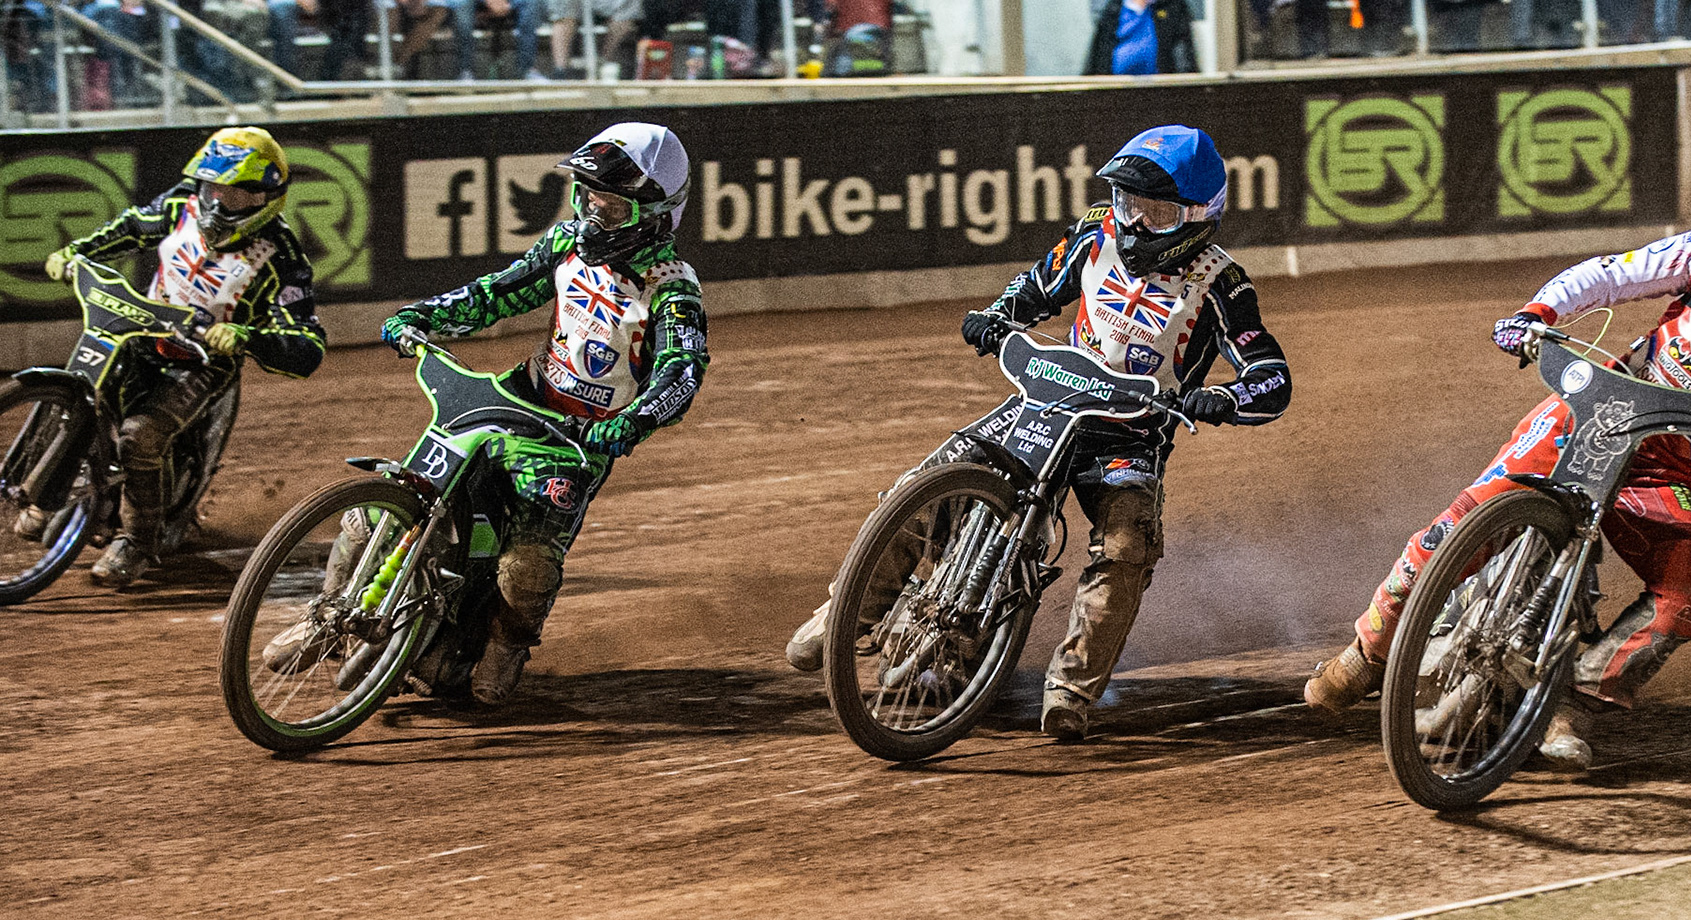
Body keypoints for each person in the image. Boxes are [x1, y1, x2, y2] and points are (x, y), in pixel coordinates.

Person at [1302, 162, 1691, 769]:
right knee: (1456, 527)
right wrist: (1538, 314)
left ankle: (1575, 701)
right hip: (1596, 412)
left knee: (1689, 590)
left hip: (1668, 474)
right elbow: (1610, 276)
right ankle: (1364, 657)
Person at [785, 125, 1294, 741]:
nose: (1134, 223)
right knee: (930, 479)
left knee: (1127, 543)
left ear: (1197, 217)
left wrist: (1219, 398)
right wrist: (998, 317)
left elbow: (1271, 375)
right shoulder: (1095, 232)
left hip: (1128, 436)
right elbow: (1033, 288)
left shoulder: (1223, 282)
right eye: (1129, 204)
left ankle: (1072, 687)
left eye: (1155, 213)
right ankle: (842, 611)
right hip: (1049, 398)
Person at [368, 123, 709, 705]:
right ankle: (329, 611)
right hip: (517, 397)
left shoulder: (672, 290)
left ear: (655, 211)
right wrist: (421, 316)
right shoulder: (566, 245)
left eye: (609, 202)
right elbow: (496, 293)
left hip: (579, 440)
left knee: (525, 567)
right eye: (587, 194)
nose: (592, 210)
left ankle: (506, 645)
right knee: (396, 501)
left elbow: (682, 374)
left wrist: (632, 422)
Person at [37, 127, 325, 588]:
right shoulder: (181, 204)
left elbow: (308, 346)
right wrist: (79, 251)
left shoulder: (284, 259)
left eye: (233, 195)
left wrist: (246, 335)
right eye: (213, 189)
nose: (216, 203)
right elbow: (133, 227)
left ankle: (137, 542)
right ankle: (59, 485)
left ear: (265, 198)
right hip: (139, 333)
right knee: (86, 392)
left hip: (203, 362)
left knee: (140, 436)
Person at [1084, 0, 1196, 73]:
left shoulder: (1173, 7)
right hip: (1115, 91)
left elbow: (1184, 57)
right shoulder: (1113, 8)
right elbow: (1096, 57)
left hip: (1161, 91)